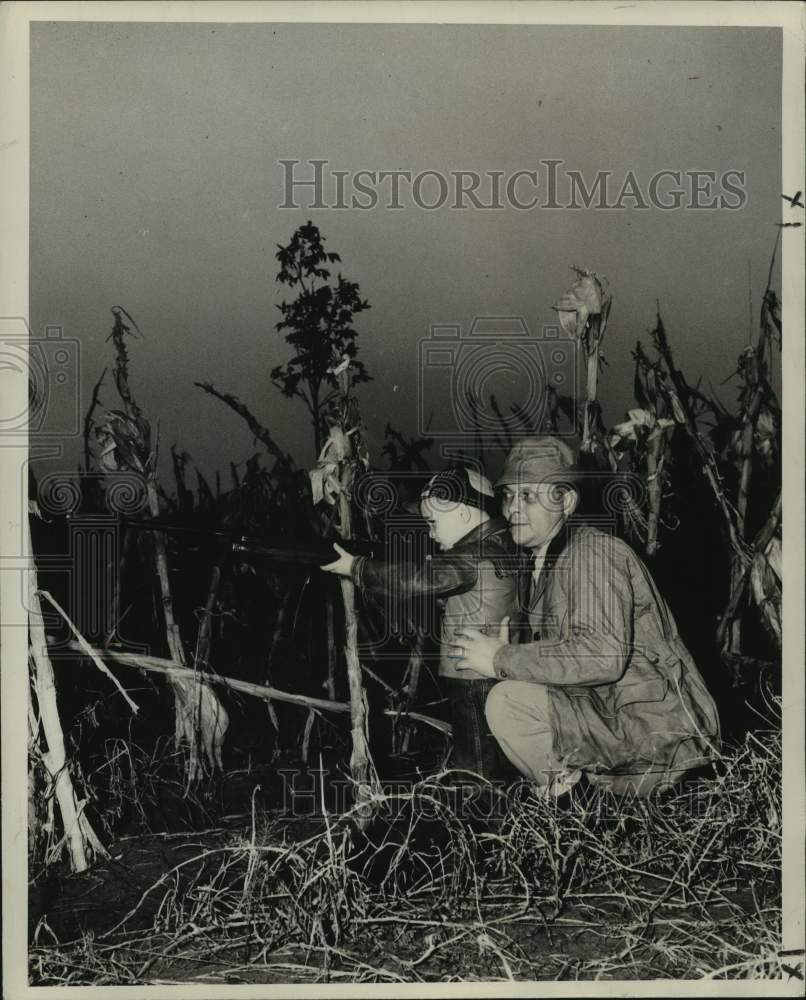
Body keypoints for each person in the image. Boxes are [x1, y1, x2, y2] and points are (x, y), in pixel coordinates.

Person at [452, 436, 721, 798]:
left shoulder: (592, 554)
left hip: (655, 737)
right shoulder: (546, 564)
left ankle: (575, 809)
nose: (513, 508)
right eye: (509, 496)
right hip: (617, 722)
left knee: (508, 702)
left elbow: (601, 656)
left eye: (529, 496)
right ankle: (577, 806)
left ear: (567, 502)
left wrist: (501, 658)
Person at [322, 466, 518, 781]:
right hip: (490, 675)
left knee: (477, 768)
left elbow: (415, 579)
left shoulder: (470, 558)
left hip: (470, 679)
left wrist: (357, 567)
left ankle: (483, 822)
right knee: (491, 757)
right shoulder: (501, 548)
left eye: (433, 522)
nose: (430, 532)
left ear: (464, 514)